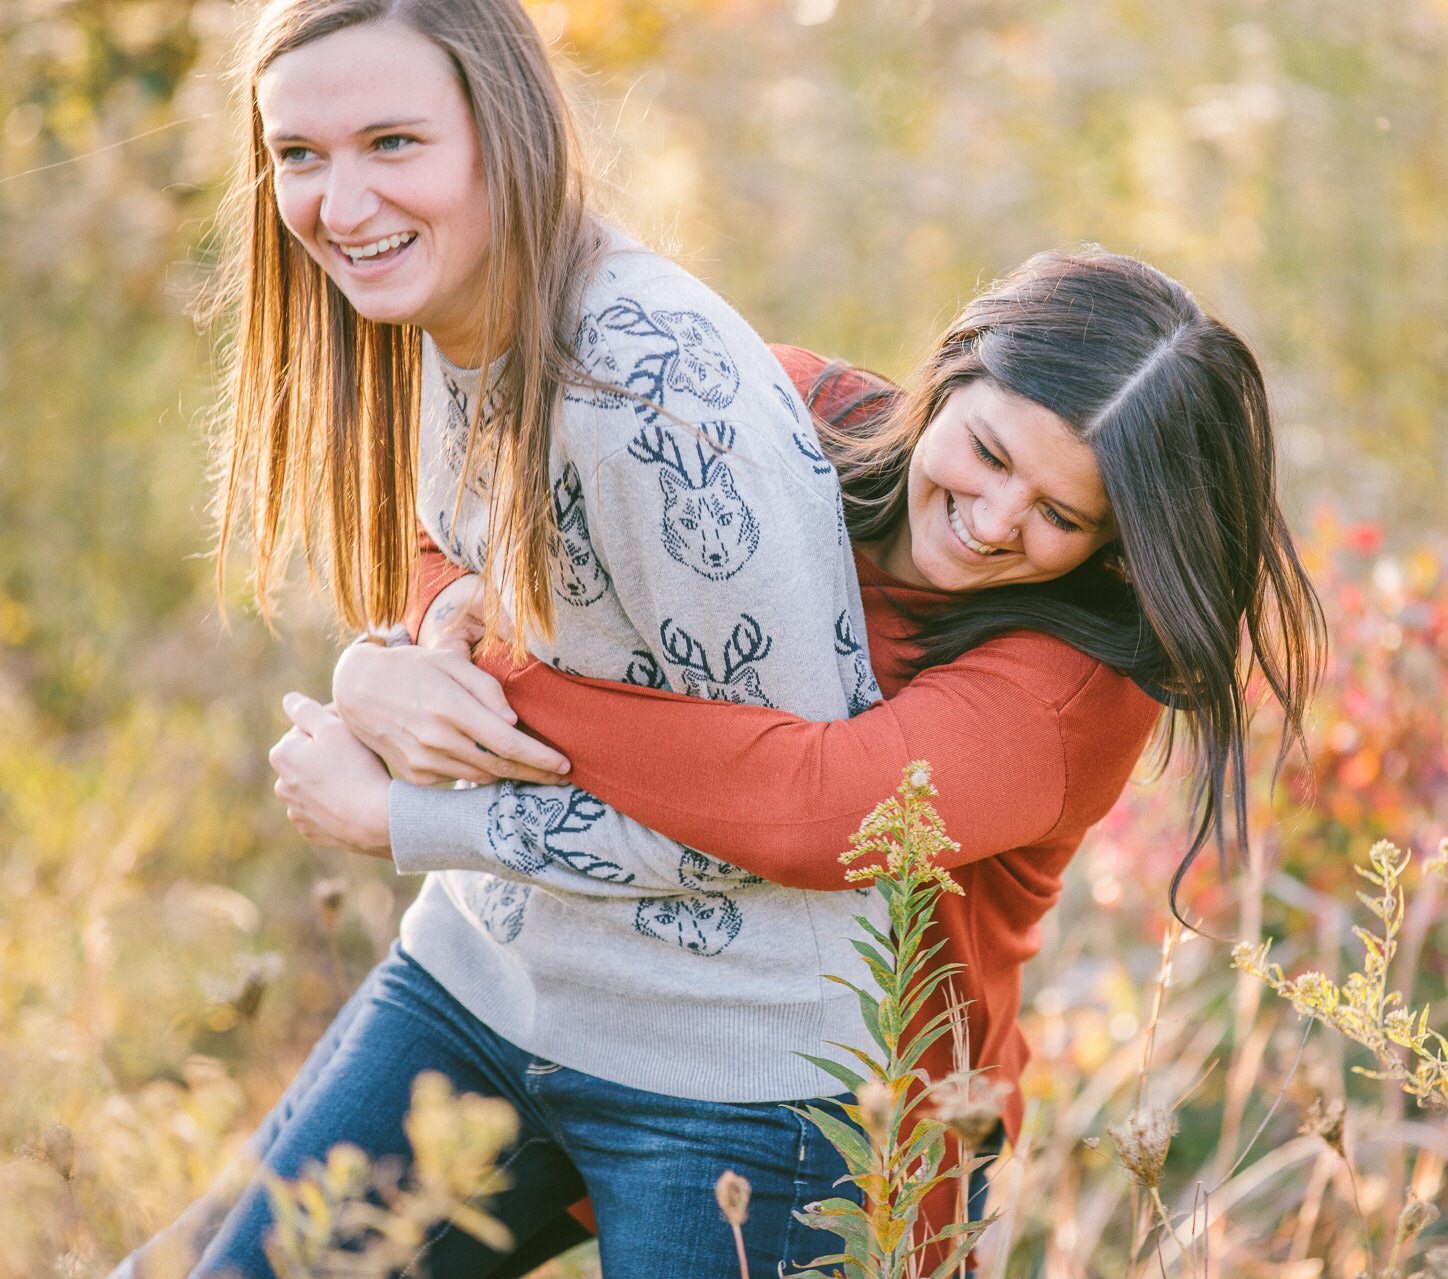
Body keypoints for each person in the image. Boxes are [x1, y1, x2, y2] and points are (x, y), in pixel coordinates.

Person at [312, 250, 1328, 1267]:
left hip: (824, 1105)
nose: (994, 520)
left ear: (1115, 544)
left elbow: (813, 806)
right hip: (544, 984)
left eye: (1060, 516)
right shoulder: (784, 415)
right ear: (956, 367)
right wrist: (431, 616)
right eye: (988, 453)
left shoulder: (1073, 688)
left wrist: (489, 688)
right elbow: (466, 496)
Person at [115, 0, 883, 1273]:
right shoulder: (432, 321)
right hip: (485, 979)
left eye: (393, 143)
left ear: (503, 133)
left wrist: (401, 818)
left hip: (737, 1066)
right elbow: (538, 624)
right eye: (299, 155)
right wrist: (391, 658)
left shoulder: (648, 390)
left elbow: (789, 831)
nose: (339, 206)